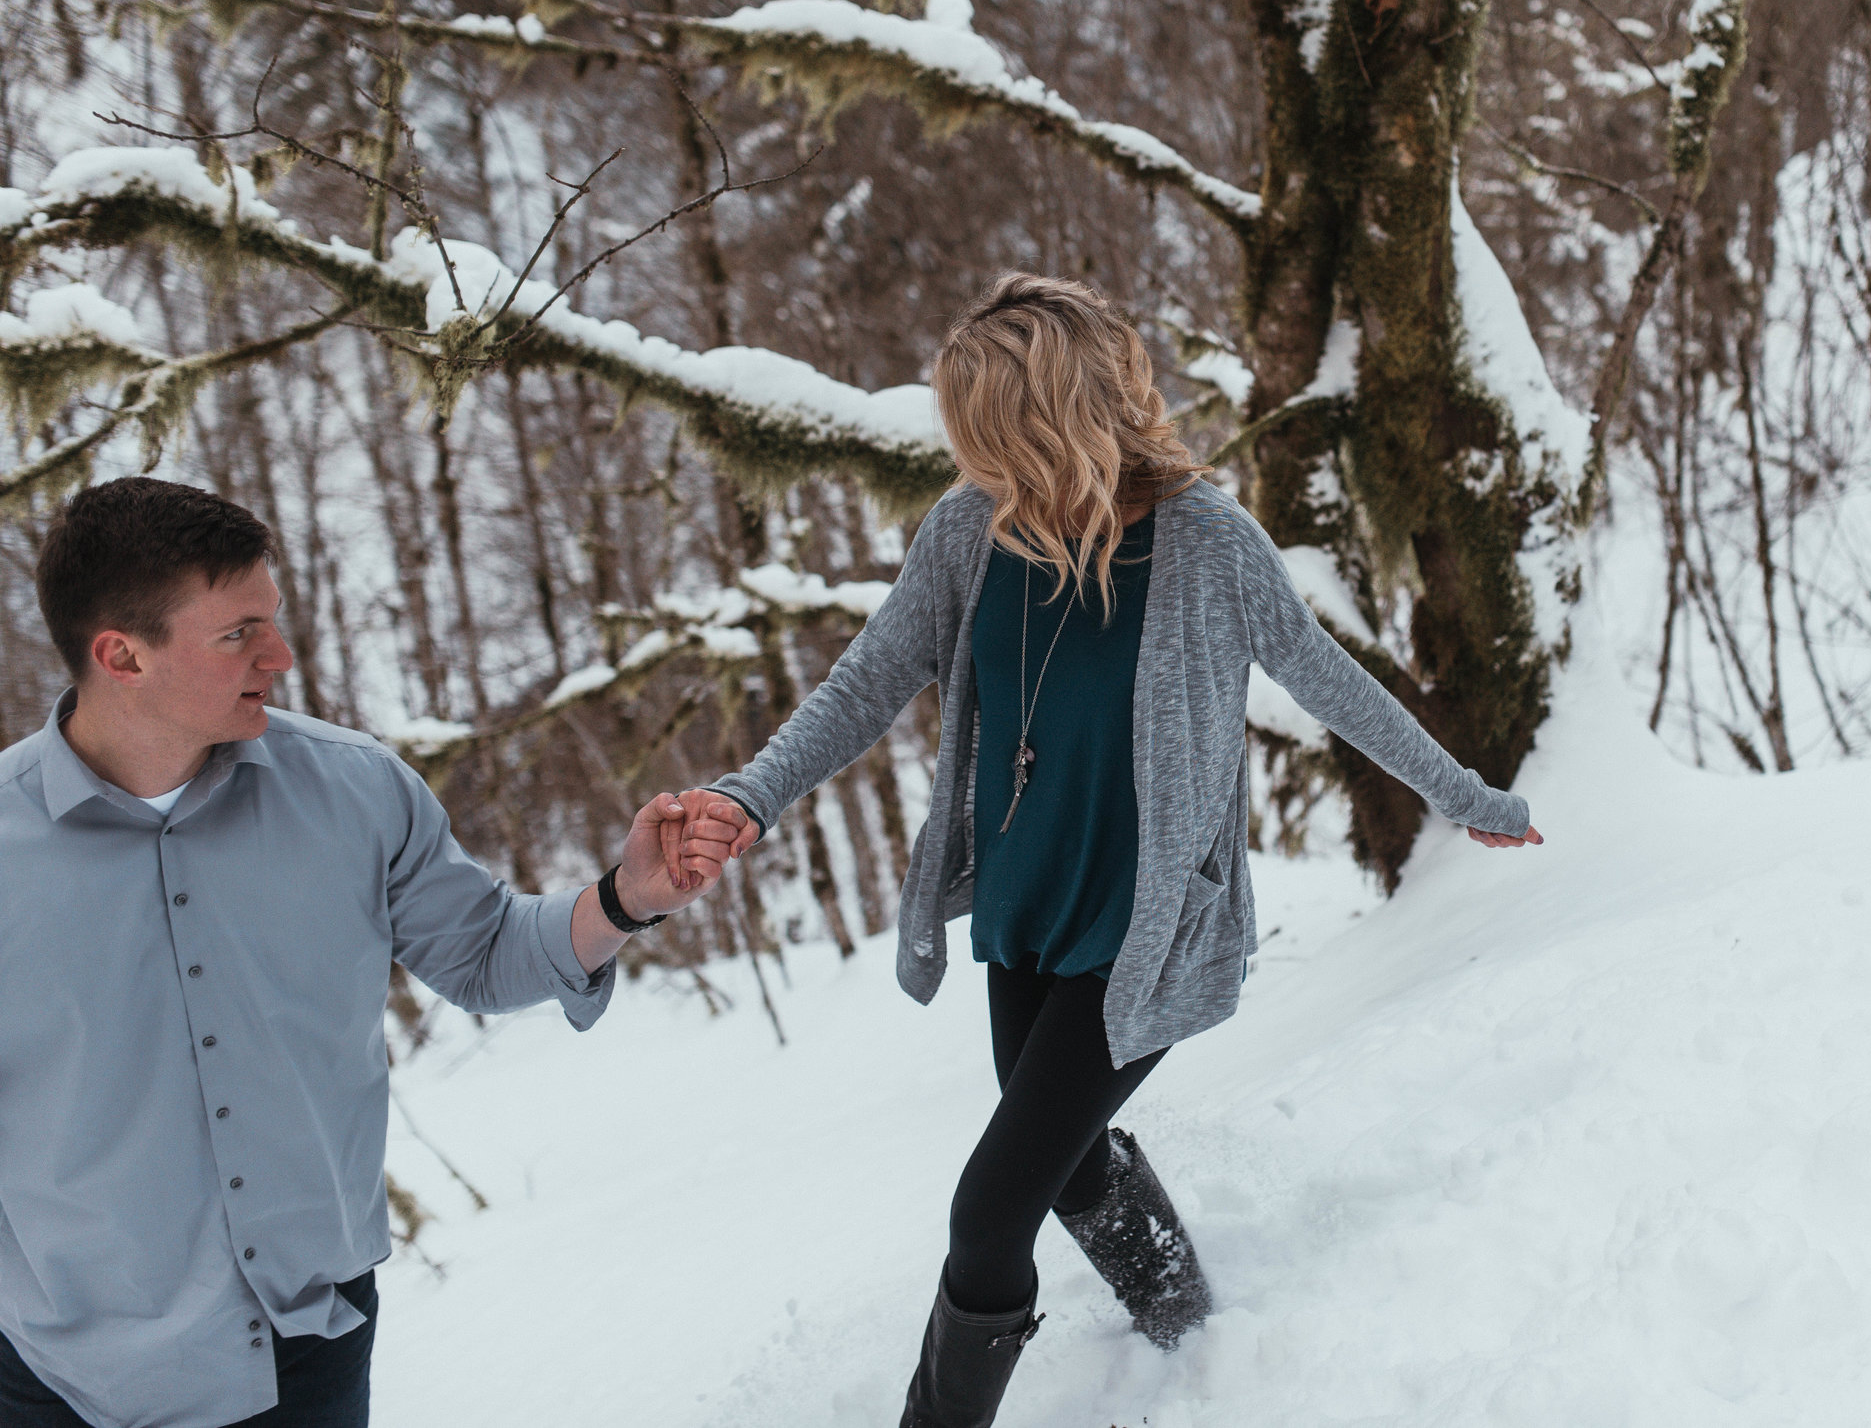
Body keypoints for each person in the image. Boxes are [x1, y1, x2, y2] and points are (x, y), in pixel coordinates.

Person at [668, 274, 1544, 1428]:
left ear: (1050, 424)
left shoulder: (1204, 544)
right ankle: (1190, 1332)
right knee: (1067, 1162)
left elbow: (1330, 680)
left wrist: (1462, 792)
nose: (970, 460)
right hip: (1028, 910)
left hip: (1144, 929)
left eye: (987, 433)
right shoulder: (966, 531)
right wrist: (753, 791)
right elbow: (866, 679)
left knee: (990, 1209)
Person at [0, 478, 737, 1428]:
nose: (281, 654)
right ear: (121, 655)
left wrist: (626, 898)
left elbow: (483, 952)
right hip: (68, 1377)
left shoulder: (354, 790)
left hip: (309, 1342)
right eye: (238, 634)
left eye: (273, 619)